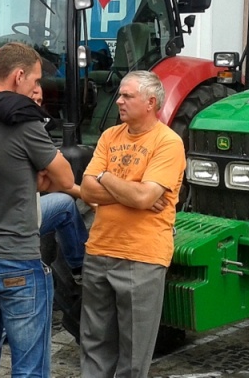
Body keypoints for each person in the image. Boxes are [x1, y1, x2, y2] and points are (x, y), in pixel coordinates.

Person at [0, 42, 75, 377]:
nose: (38, 89)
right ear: (18, 75)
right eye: (35, 81)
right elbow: (64, 178)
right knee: (29, 368)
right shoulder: (24, 124)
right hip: (14, 262)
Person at [78, 70, 184, 378]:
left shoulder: (168, 143)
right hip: (99, 251)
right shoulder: (110, 136)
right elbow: (86, 191)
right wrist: (133, 190)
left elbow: (144, 197)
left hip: (142, 257)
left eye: (127, 95)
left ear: (150, 102)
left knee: (133, 355)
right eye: (120, 94)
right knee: (94, 345)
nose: (119, 101)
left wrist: (107, 178)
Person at [30, 84, 87, 280]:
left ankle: (79, 270)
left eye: (39, 102)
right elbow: (65, 179)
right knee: (65, 205)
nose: (37, 107)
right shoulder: (29, 131)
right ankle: (81, 269)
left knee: (63, 202)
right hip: (17, 222)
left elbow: (45, 183)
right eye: (32, 100)